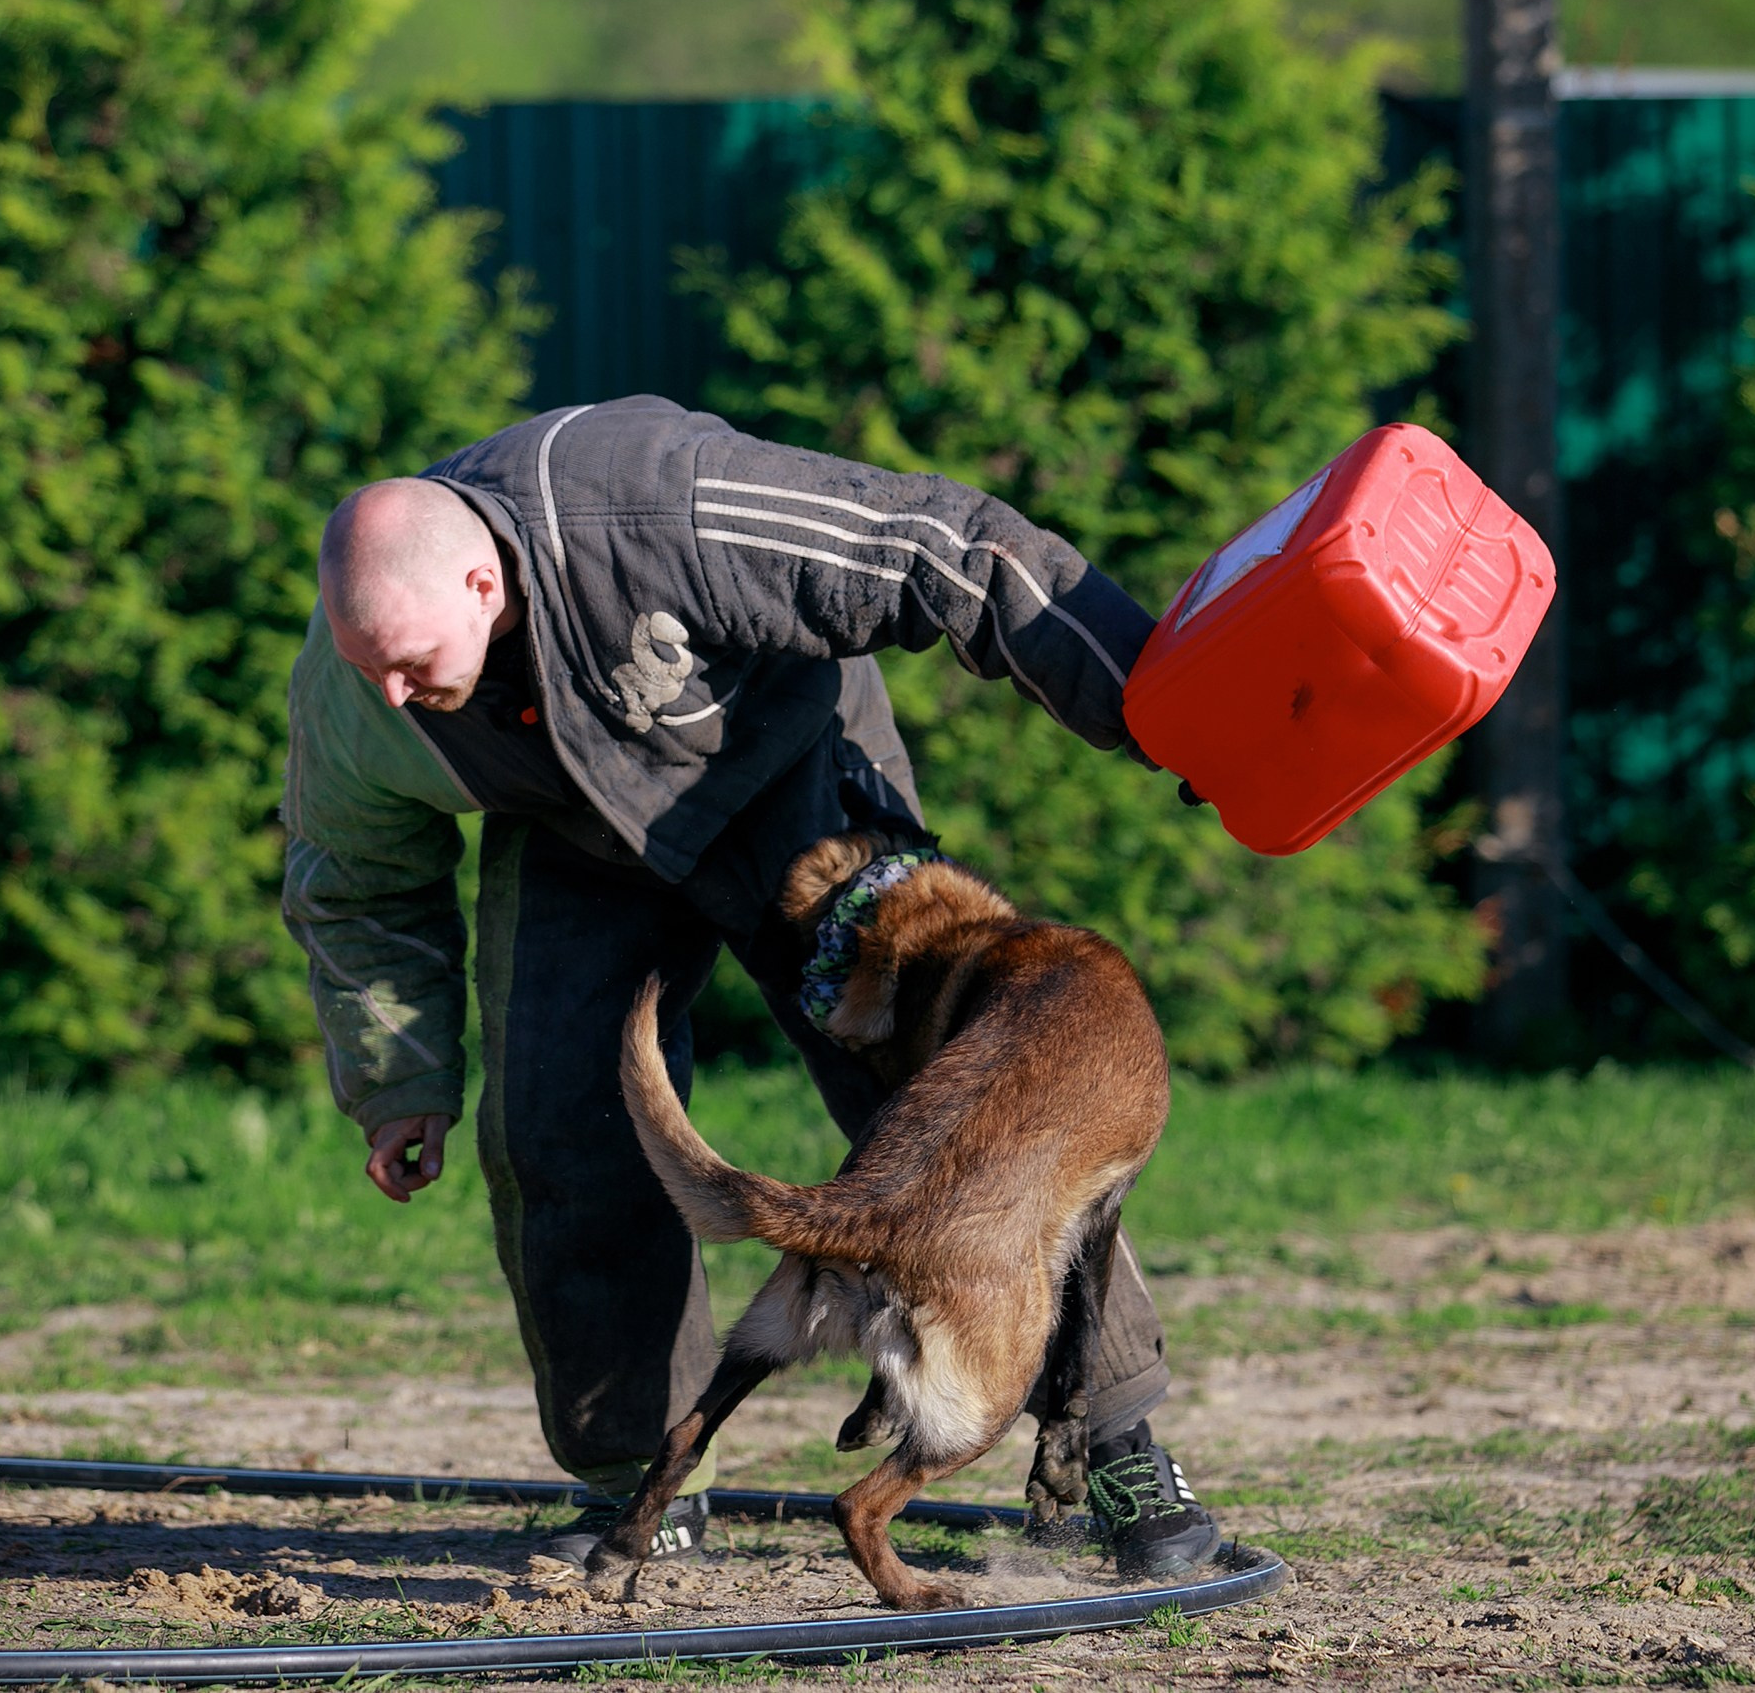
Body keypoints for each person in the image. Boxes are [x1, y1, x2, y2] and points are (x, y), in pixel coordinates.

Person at [281, 396, 1218, 1577]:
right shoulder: (356, 678)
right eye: (370, 668)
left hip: (799, 791)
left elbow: (949, 551)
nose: (391, 697)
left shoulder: (653, 502)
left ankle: (1118, 1443)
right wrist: (397, 1075)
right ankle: (643, 1485)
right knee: (559, 1134)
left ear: (479, 585)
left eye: (411, 667)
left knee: (985, 1123)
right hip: (577, 839)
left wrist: (1164, 713)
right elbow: (355, 878)